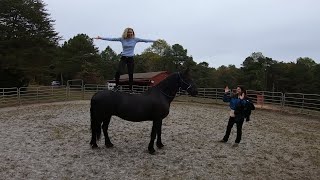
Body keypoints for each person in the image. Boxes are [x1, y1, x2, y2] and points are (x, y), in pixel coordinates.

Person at [94, 28, 156, 92]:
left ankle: (130, 88)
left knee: (130, 74)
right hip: (123, 57)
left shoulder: (135, 39)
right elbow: (112, 39)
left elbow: (145, 40)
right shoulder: (122, 39)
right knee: (118, 71)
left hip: (130, 58)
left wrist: (155, 41)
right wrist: (101, 38)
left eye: (131, 32)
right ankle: (117, 86)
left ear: (133, 33)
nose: (130, 33)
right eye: (129, 32)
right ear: (126, 33)